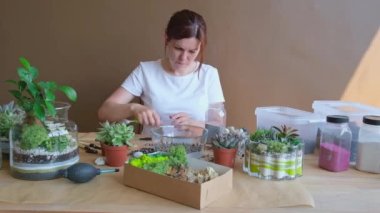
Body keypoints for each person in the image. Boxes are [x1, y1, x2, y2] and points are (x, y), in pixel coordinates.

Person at [98, 9, 225, 136]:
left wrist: (194, 124)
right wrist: (133, 108)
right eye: (178, 48)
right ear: (166, 39)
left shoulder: (209, 74)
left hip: (196, 150)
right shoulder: (146, 71)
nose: (183, 57)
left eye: (192, 51)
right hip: (151, 151)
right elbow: (104, 112)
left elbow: (219, 124)